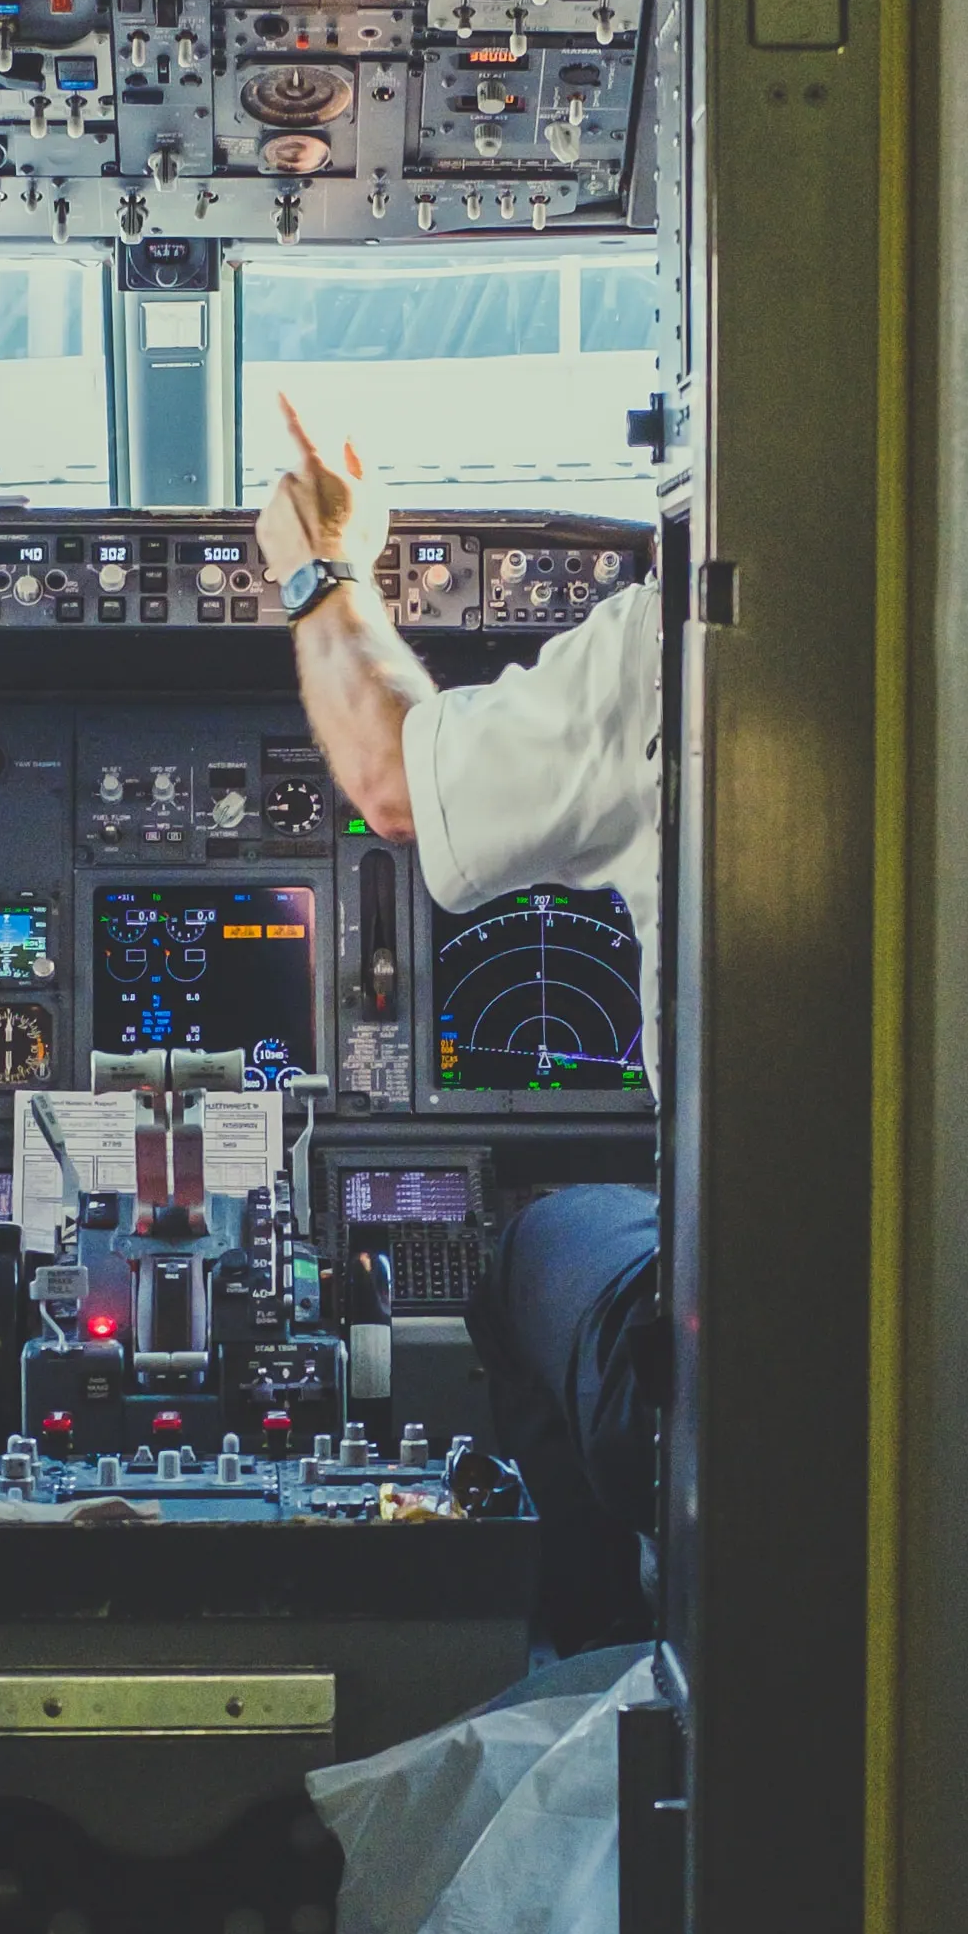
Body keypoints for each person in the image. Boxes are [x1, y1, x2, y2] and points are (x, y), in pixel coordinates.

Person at [254, 394, 660, 1644]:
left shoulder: (676, 634)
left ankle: (599, 1645)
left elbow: (391, 778)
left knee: (532, 1234)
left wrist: (319, 566)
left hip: (759, 1308)